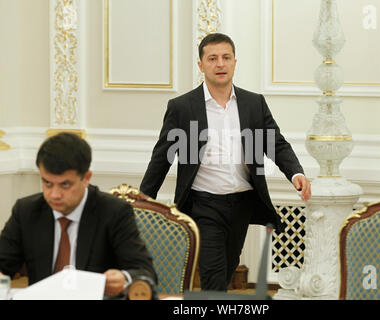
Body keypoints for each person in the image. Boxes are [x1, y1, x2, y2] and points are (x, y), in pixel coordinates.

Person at [140, 33, 311, 291]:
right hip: (203, 204)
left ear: (234, 62)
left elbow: (275, 142)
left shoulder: (254, 103)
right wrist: (144, 198)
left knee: (228, 268)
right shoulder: (182, 107)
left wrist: (296, 173)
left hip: (242, 203)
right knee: (213, 277)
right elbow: (162, 156)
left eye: (226, 58)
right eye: (212, 58)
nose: (220, 64)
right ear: (201, 65)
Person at [0, 132, 157, 298]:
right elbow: (3, 262)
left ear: (86, 178)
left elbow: (145, 272)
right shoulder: (27, 211)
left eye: (65, 184)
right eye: (47, 183)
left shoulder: (113, 212)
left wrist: (124, 279)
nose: (54, 194)